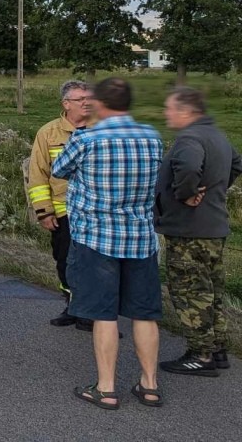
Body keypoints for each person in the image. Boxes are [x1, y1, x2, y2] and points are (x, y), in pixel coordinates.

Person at [51, 77, 164, 410]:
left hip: (97, 238)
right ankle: (150, 385)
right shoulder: (152, 138)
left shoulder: (86, 138)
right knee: (145, 315)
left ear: (100, 103)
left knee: (104, 315)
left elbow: (58, 169)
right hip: (141, 239)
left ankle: (106, 387)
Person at [156, 86, 242, 377]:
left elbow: (189, 166)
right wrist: (218, 189)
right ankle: (217, 349)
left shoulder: (190, 138)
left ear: (186, 111)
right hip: (214, 227)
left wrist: (185, 193)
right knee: (212, 290)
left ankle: (200, 355)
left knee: (190, 291)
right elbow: (237, 163)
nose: (166, 113)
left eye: (169, 108)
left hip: (190, 228)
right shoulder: (217, 135)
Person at [26, 80, 94, 331]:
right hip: (63, 210)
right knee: (64, 260)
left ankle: (92, 312)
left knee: (94, 263)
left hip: (94, 212)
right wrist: (44, 211)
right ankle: (72, 305)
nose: (87, 103)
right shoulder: (49, 133)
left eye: (89, 98)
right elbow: (38, 174)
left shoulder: (101, 129)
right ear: (66, 104)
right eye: (80, 99)